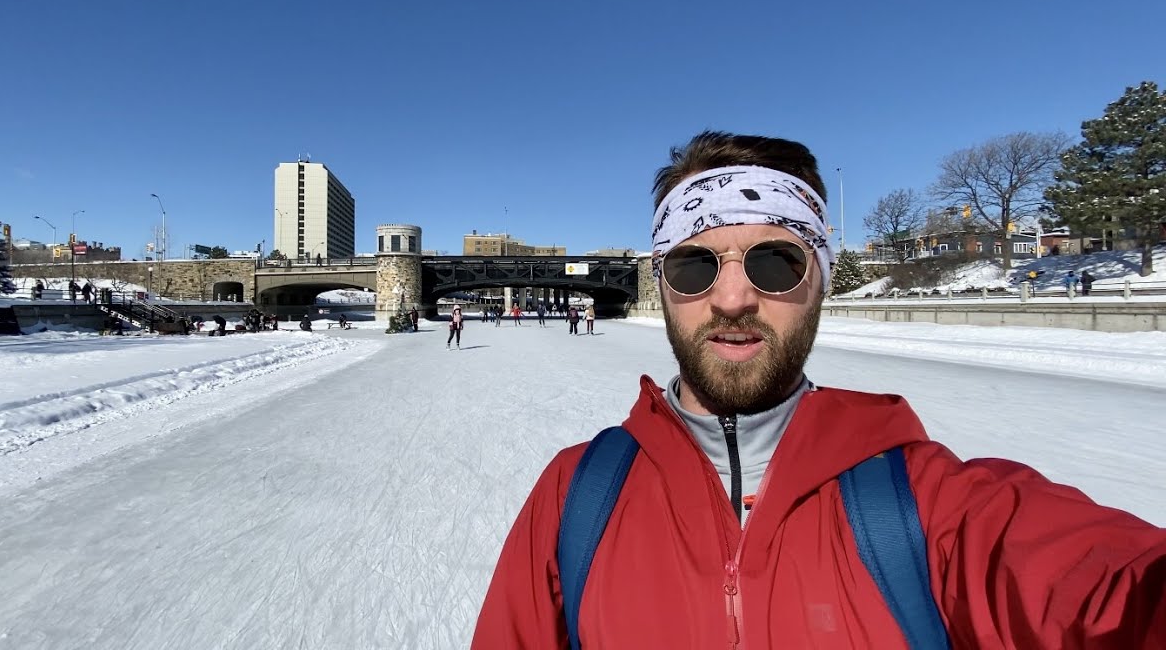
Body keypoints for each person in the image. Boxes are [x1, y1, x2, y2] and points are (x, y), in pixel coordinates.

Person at [472, 131, 1166, 648]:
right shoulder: (576, 497)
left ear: (821, 281)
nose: (734, 297)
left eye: (776, 262)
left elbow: (1110, 589)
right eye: (694, 267)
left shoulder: (931, 507)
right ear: (663, 285)